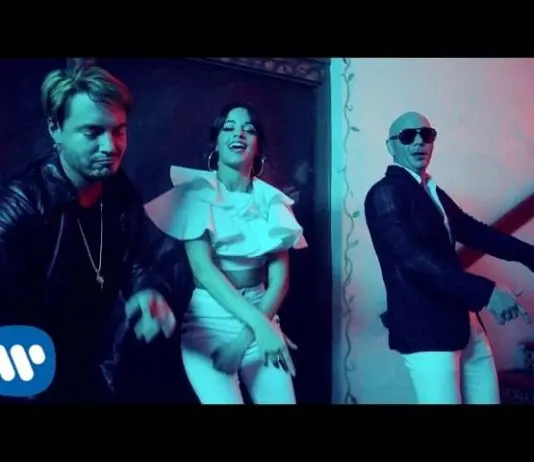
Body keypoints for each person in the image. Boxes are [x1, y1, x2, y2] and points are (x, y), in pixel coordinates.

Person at [0, 59, 176, 403]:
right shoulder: (18, 209)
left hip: (87, 363)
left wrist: (147, 289)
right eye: (92, 132)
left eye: (119, 131)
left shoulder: (118, 190)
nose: (110, 147)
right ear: (55, 129)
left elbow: (137, 256)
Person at [364, 111, 534, 405]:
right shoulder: (384, 193)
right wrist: (487, 293)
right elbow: (414, 260)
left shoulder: (431, 190)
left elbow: (473, 231)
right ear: (391, 146)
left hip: (464, 321)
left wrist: (527, 254)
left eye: (426, 135)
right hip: (425, 327)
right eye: (407, 136)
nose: (419, 142)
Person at [145, 102, 307, 404]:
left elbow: (280, 282)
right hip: (210, 319)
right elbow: (203, 271)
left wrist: (253, 334)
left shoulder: (273, 201)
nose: (239, 134)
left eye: (249, 129)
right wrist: (258, 326)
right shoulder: (198, 192)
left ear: (258, 146)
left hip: (262, 311)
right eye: (229, 128)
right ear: (216, 142)